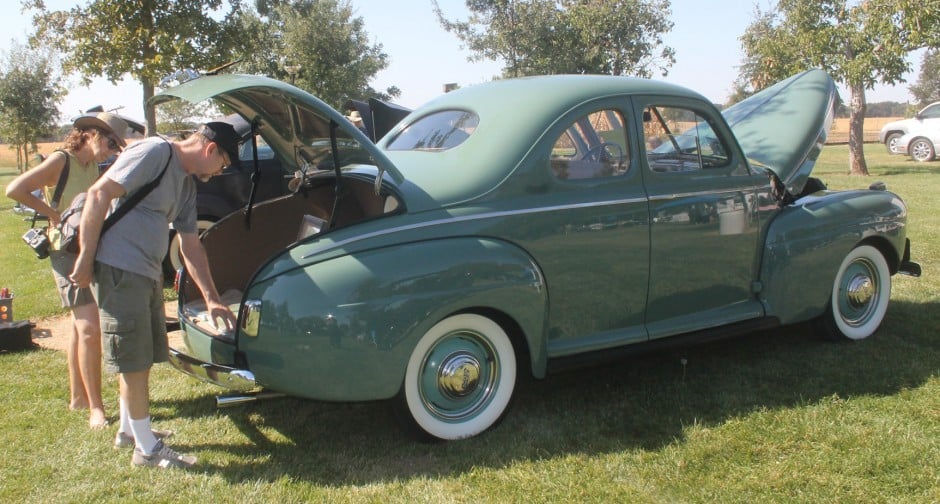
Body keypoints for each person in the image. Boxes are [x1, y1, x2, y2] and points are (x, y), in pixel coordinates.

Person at [70, 122, 239, 469]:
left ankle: (131, 431)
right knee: (132, 357)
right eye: (222, 164)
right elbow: (100, 193)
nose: (219, 172)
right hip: (119, 267)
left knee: (140, 355)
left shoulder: (187, 185)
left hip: (145, 272)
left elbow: (191, 245)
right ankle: (147, 450)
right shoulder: (154, 152)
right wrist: (86, 259)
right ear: (210, 150)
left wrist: (212, 298)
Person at [5, 112, 128, 429]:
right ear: (91, 134)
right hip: (63, 251)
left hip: (83, 249)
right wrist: (53, 214)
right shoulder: (63, 161)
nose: (112, 150)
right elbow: (15, 189)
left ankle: (78, 397)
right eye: (111, 142)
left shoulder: (92, 166)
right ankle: (96, 409)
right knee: (90, 328)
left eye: (117, 146)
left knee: (78, 327)